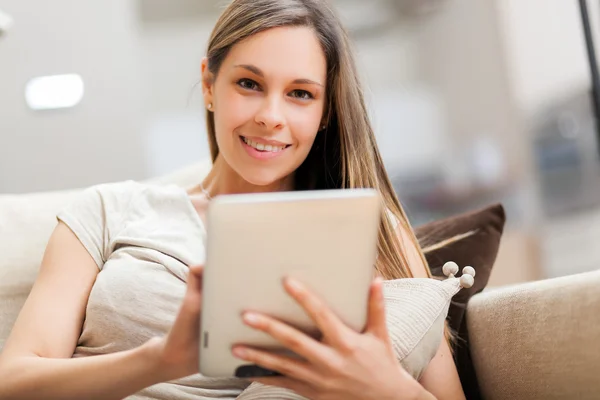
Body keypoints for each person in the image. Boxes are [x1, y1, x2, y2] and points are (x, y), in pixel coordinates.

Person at [0, 0, 466, 399]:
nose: (270, 116)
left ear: (325, 113)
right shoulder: (108, 210)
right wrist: (159, 361)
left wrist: (385, 388)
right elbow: (13, 381)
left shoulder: (373, 231)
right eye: (249, 84)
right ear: (209, 85)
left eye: (300, 94)